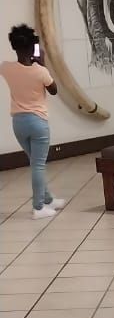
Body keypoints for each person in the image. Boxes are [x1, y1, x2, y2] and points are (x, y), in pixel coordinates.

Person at [1, 24, 63, 219]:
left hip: (18, 123)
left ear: (14, 46)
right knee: (38, 165)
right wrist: (42, 63)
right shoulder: (40, 71)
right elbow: (54, 90)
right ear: (33, 47)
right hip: (38, 123)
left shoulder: (6, 68)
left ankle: (48, 199)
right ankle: (38, 208)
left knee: (35, 163)